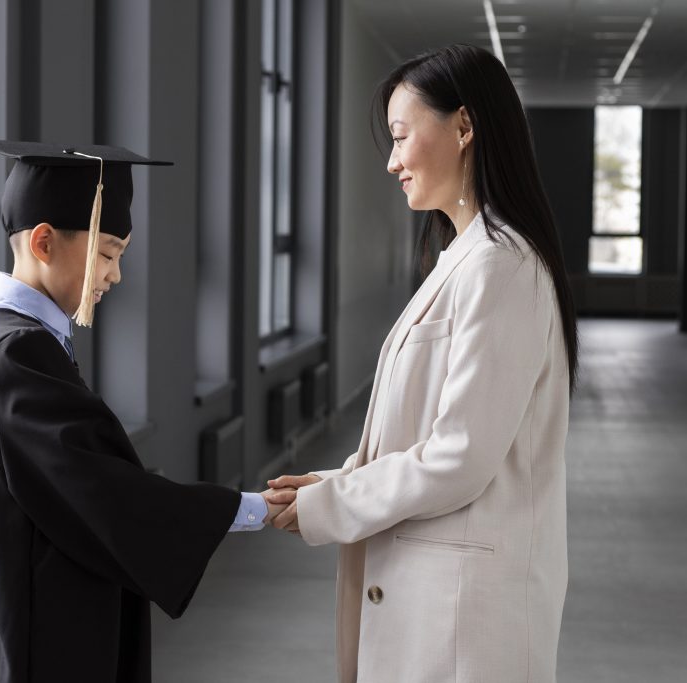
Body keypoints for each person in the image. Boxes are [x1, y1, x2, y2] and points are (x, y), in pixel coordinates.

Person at [266, 44, 579, 682]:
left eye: (401, 136)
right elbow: (417, 432)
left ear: (464, 128)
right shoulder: (466, 256)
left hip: (468, 620)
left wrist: (337, 503)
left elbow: (459, 455)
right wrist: (337, 482)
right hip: (437, 601)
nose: (391, 161)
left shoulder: (501, 265)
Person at [0, 141, 283, 683]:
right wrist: (248, 508)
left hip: (20, 610)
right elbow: (100, 491)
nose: (115, 274)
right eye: (107, 253)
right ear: (44, 242)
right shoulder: (17, 349)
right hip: (44, 633)